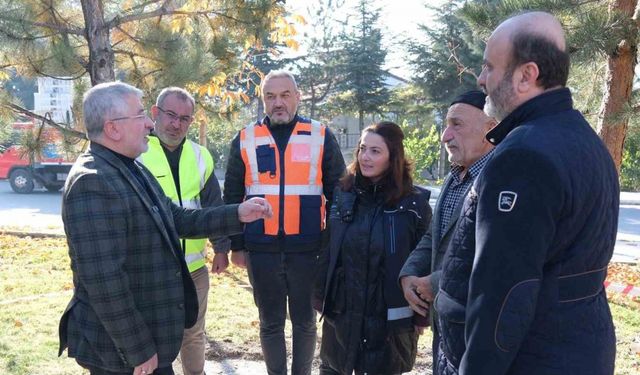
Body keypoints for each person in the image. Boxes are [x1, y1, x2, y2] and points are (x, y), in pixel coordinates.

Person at [435, 11, 619, 375]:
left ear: (526, 75)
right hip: (579, 348)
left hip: (534, 357)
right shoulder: (583, 139)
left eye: (489, 67)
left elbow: (503, 293)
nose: (481, 78)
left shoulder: (522, 156)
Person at [57, 81, 272, 375]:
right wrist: (138, 350)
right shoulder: (93, 181)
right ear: (113, 128)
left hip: (148, 343)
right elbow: (105, 282)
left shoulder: (130, 167)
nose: (149, 123)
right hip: (124, 354)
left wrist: (238, 213)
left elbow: (178, 218)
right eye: (141, 115)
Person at [224, 70, 346, 375]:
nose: (278, 102)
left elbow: (338, 195)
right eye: (270, 96)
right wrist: (236, 245)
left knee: (305, 322)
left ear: (298, 97)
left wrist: (331, 246)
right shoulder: (245, 138)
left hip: (307, 249)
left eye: (285, 95)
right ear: (263, 99)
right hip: (260, 248)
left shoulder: (320, 135)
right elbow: (232, 197)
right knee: (270, 322)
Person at [315, 121, 432, 375]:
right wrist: (319, 296)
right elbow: (329, 249)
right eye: (362, 148)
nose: (365, 157)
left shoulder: (414, 203)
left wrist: (422, 315)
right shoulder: (343, 194)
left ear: (393, 157)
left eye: (375, 151)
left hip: (389, 323)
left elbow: (425, 259)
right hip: (342, 315)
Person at [137, 87, 231, 375]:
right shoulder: (137, 151)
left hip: (193, 269)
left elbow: (212, 205)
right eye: (170, 115)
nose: (176, 124)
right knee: (153, 337)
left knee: (193, 333)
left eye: (185, 118)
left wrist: (222, 247)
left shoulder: (201, 156)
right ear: (155, 113)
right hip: (152, 269)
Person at [398, 91, 496, 365]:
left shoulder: (499, 179)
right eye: (445, 125)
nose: (445, 136)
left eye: (457, 124)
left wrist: (437, 282)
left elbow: (492, 256)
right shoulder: (455, 177)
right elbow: (434, 235)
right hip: (445, 319)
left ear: (491, 127)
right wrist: (409, 274)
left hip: (478, 323)